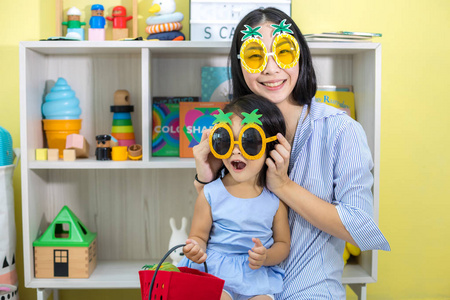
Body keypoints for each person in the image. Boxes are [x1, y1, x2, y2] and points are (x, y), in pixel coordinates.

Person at [192, 7, 391, 299]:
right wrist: (205, 179)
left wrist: (284, 186)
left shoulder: (340, 131)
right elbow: (212, 227)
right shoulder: (229, 128)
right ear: (239, 64)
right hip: (237, 291)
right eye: (256, 56)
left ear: (300, 55)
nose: (271, 69)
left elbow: (359, 228)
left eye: (283, 53)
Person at [179, 94, 291, 300]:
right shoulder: (211, 193)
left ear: (270, 148)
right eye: (226, 140)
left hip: (256, 275)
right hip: (216, 273)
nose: (236, 150)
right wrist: (195, 248)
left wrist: (266, 257)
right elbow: (198, 236)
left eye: (250, 141)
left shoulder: (275, 200)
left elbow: (283, 244)